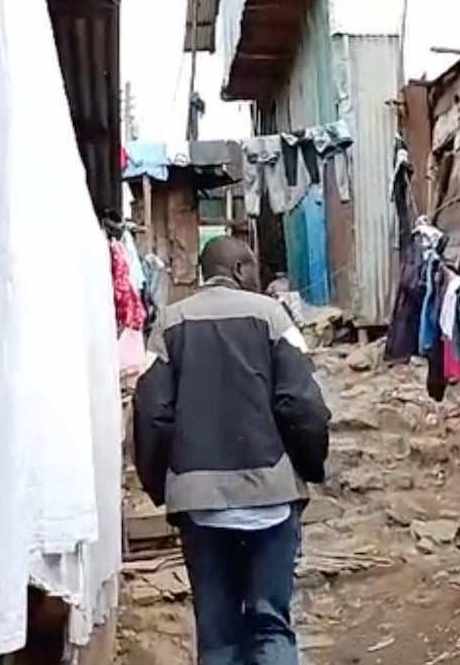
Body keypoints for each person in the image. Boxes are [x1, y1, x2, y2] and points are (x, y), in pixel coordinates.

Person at [133, 236, 330, 665]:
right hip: (272, 499)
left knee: (218, 634)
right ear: (240, 270)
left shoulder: (169, 323)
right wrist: (309, 467)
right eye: (253, 267)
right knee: (271, 626)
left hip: (199, 504)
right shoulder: (272, 317)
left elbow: (150, 413)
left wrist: (163, 487)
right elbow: (301, 403)